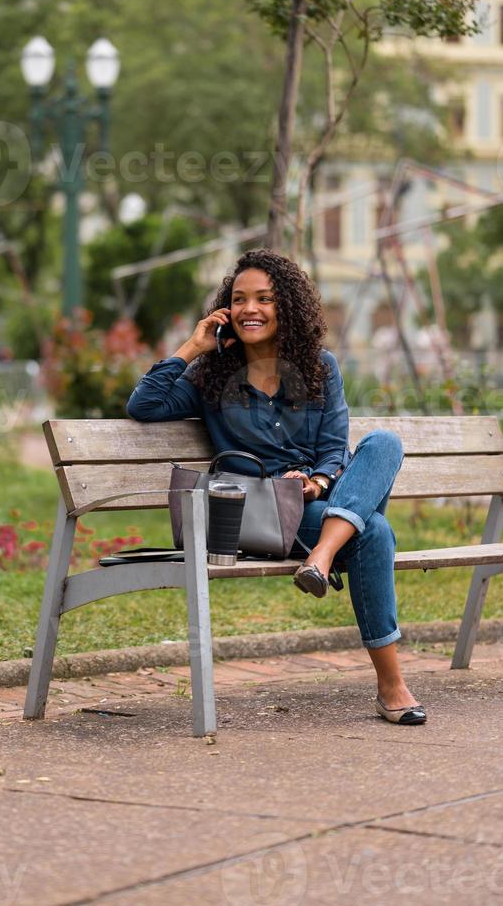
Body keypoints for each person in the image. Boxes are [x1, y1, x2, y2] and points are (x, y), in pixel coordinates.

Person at [127, 248, 426, 726]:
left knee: (384, 443)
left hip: (318, 502)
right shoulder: (209, 377)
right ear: (226, 311)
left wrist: (317, 481)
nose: (251, 309)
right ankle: (392, 685)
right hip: (262, 511)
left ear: (286, 305)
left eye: (265, 298)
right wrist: (193, 346)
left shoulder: (320, 368)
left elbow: (333, 449)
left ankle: (322, 555)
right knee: (375, 533)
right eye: (240, 299)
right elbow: (144, 404)